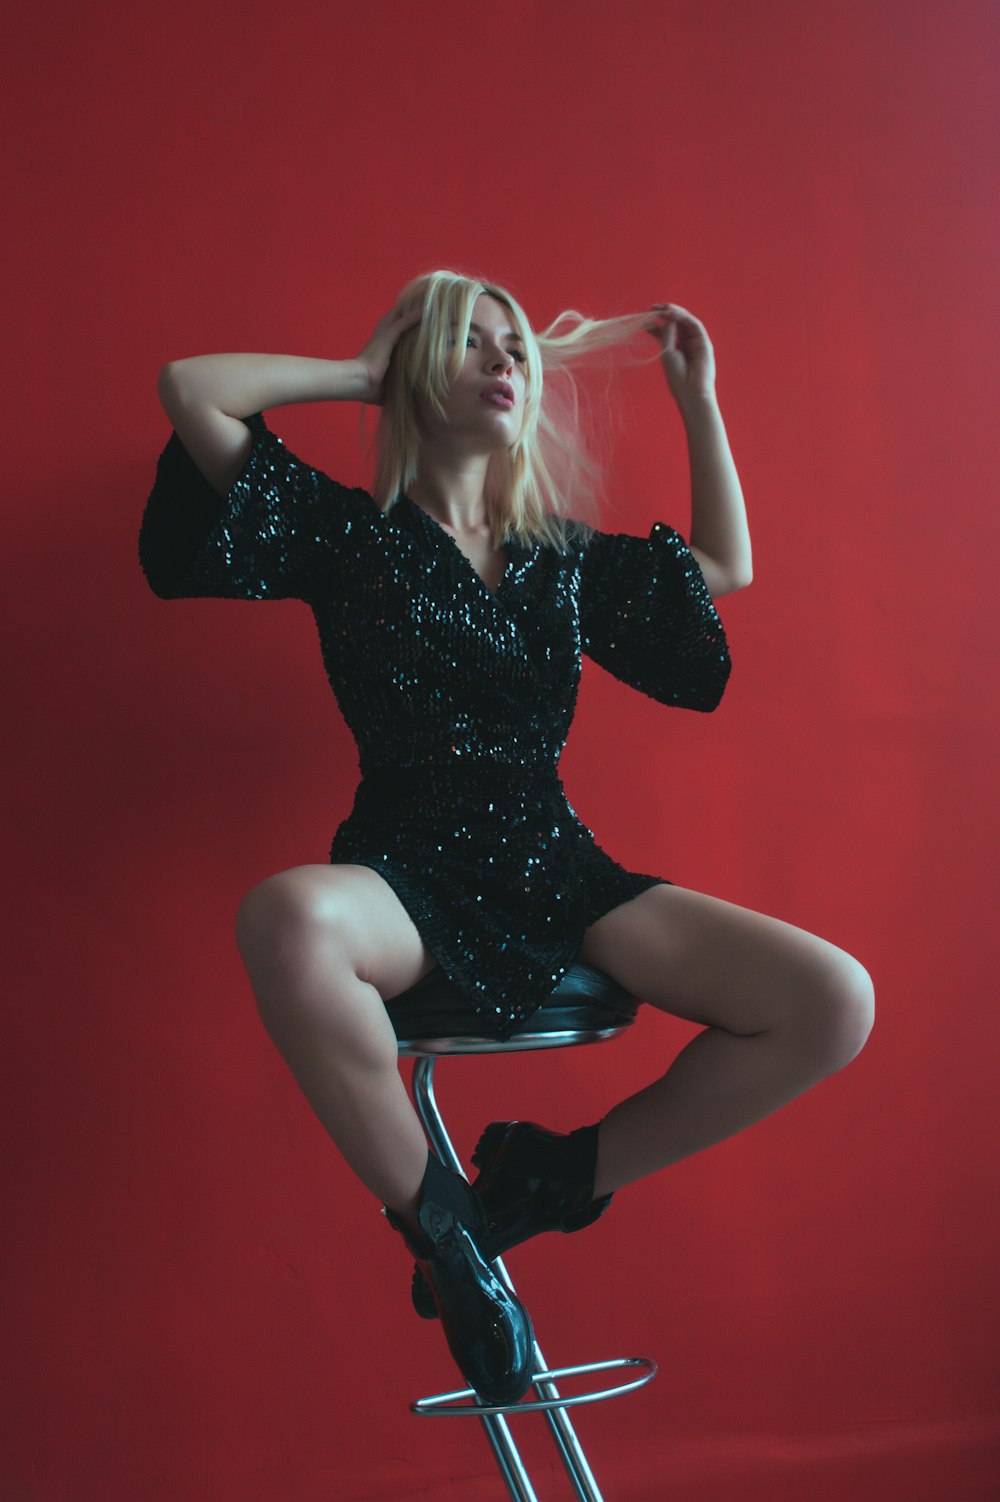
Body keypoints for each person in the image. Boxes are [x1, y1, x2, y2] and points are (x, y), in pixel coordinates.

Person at [138, 268, 875, 1405]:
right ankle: (447, 1233)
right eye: (471, 343)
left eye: (516, 348)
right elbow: (191, 389)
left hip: (556, 858)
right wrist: (358, 374)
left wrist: (698, 398)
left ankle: (549, 1178)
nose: (504, 363)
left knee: (833, 996)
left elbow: (722, 570)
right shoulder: (345, 533)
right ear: (416, 371)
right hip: (405, 865)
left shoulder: (559, 557)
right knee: (282, 914)